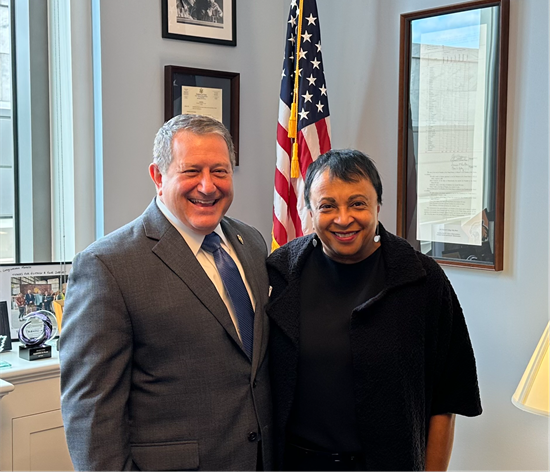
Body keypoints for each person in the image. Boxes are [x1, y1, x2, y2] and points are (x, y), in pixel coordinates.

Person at [60, 114, 272, 472]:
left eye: (220, 171)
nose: (208, 186)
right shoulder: (107, 266)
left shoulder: (250, 242)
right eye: (191, 171)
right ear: (158, 176)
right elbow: (90, 412)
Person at [266, 149, 482, 472]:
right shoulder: (279, 274)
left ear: (378, 206)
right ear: (309, 211)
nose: (343, 218)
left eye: (357, 203)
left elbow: (446, 399)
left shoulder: (421, 280)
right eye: (327, 206)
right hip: (295, 464)